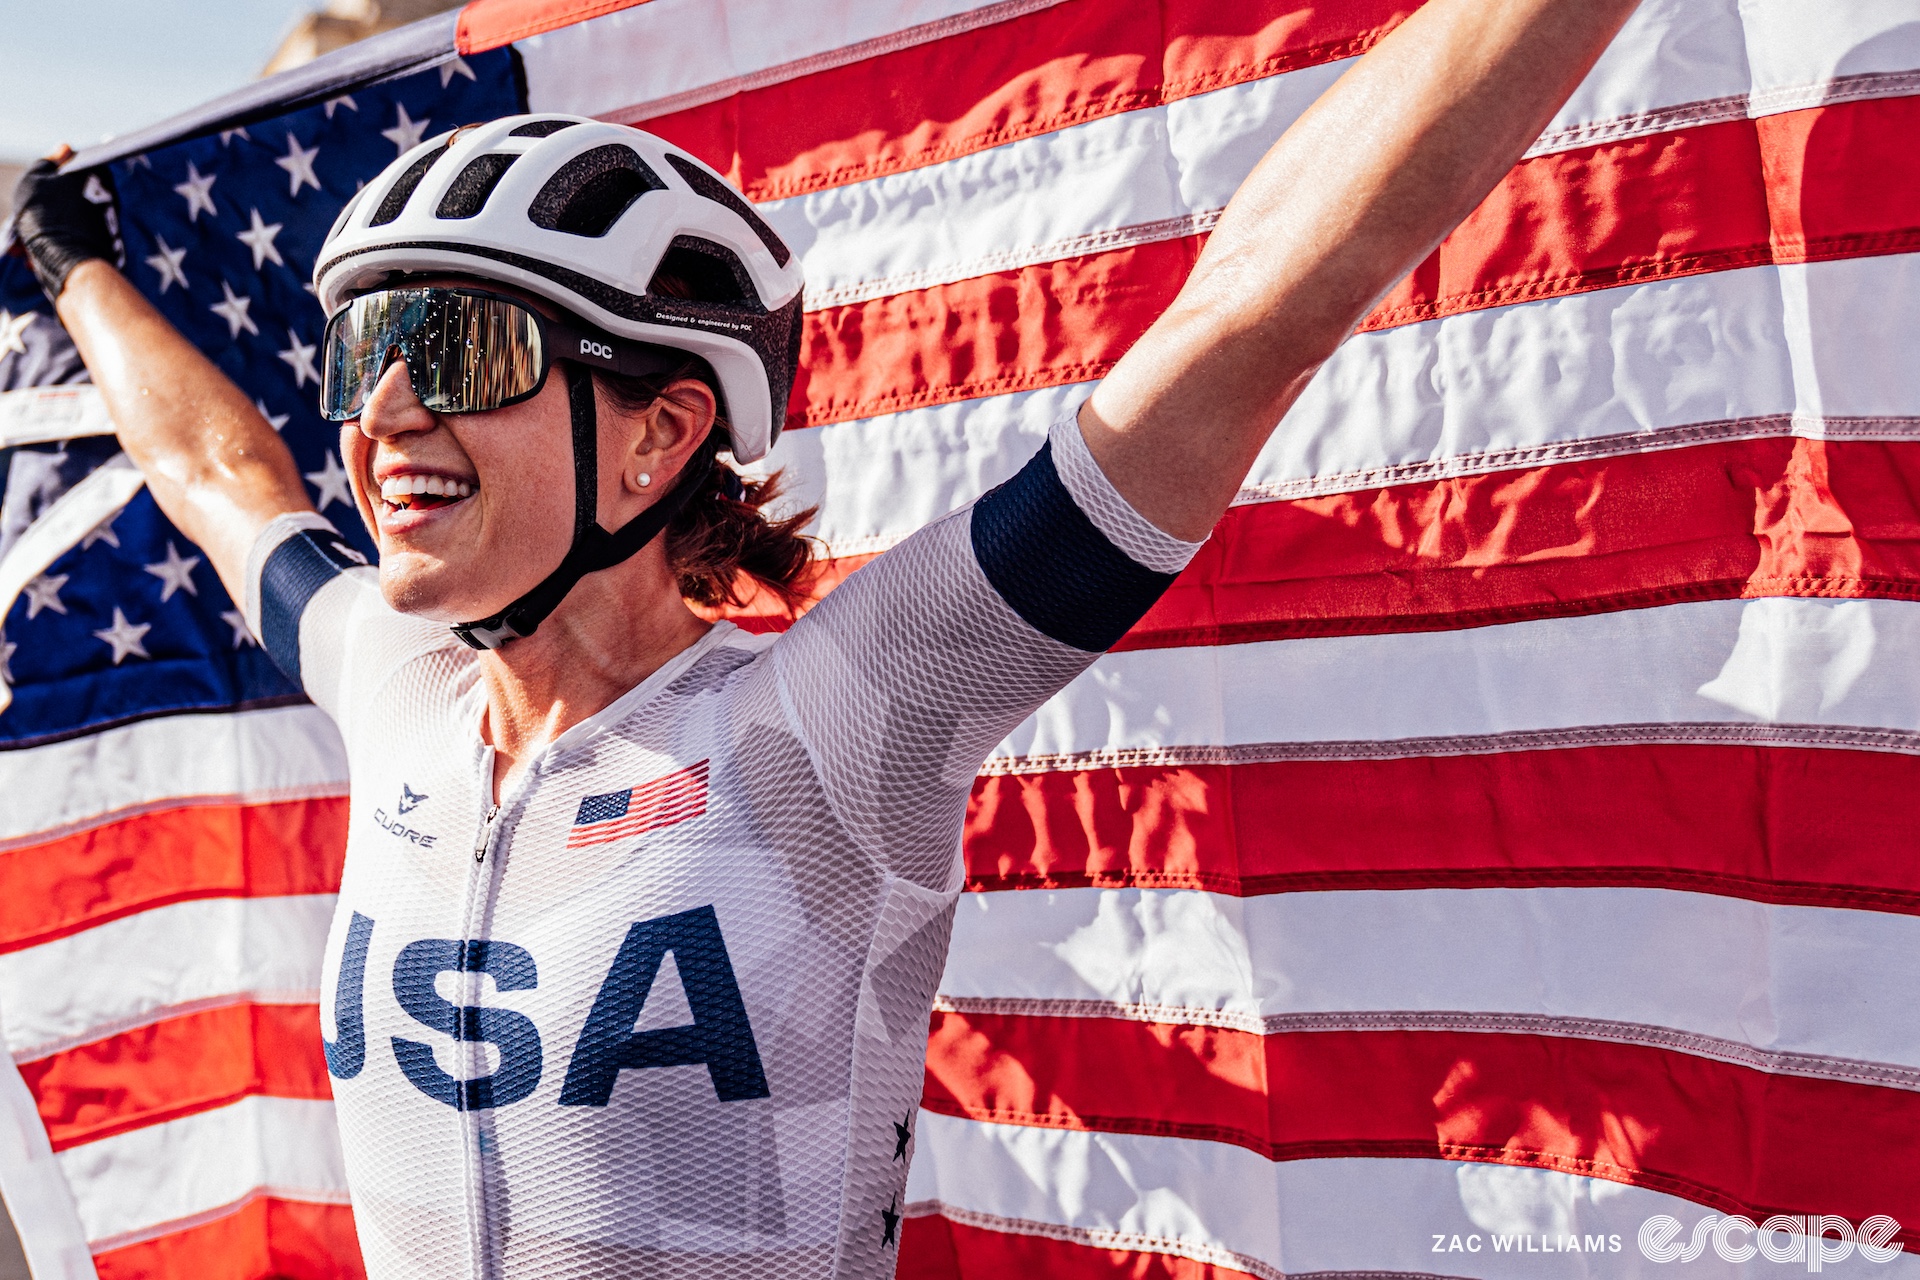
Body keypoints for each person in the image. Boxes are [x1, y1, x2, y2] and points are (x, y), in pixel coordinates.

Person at [14, 0, 1641, 1274]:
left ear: (655, 438)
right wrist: (59, 249)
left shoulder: (836, 715)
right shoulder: (391, 680)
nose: (381, 414)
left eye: (455, 342)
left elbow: (1249, 316)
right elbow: (219, 474)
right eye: (365, 347)